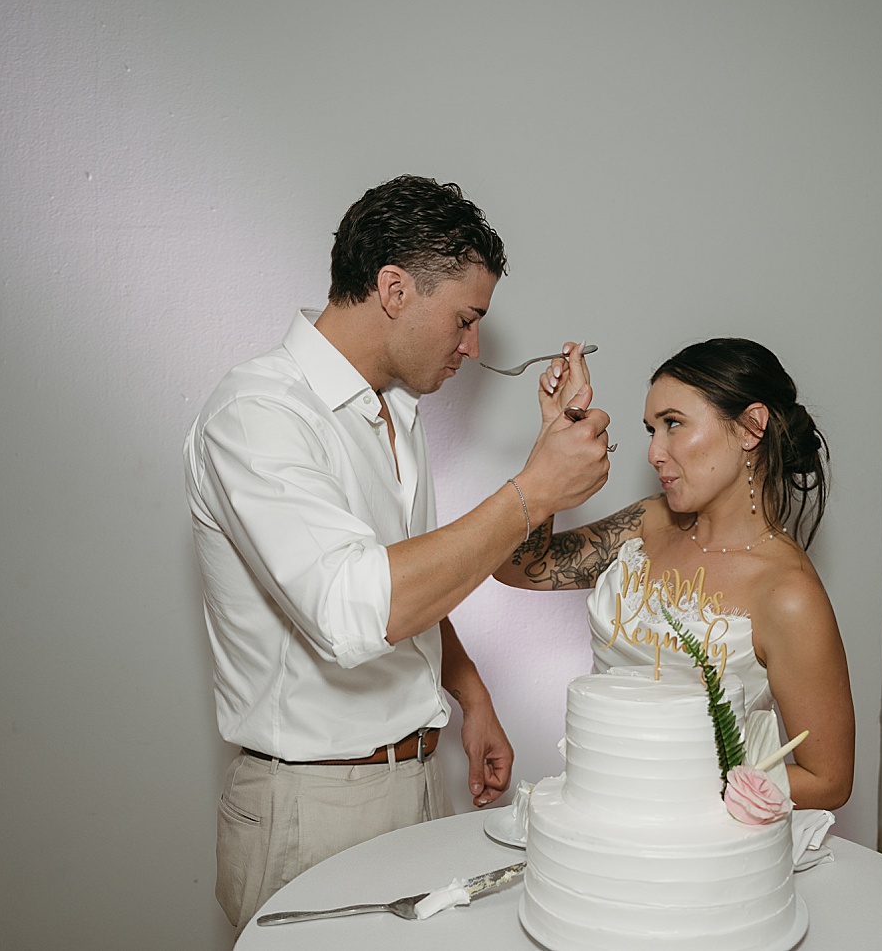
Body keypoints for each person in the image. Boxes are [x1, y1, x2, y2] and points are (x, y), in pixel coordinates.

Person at [184, 176, 611, 932]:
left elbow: (407, 580)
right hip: (310, 804)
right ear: (393, 289)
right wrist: (533, 491)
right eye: (465, 319)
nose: (471, 346)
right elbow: (355, 609)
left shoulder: (397, 413)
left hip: (416, 782)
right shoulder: (258, 415)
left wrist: (471, 694)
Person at [493, 338, 854, 811]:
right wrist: (553, 441)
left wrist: (670, 785)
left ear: (751, 427)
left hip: (701, 835)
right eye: (651, 430)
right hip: (596, 809)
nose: (654, 453)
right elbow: (518, 567)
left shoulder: (788, 593)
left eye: (673, 424)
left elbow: (828, 780)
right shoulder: (648, 524)